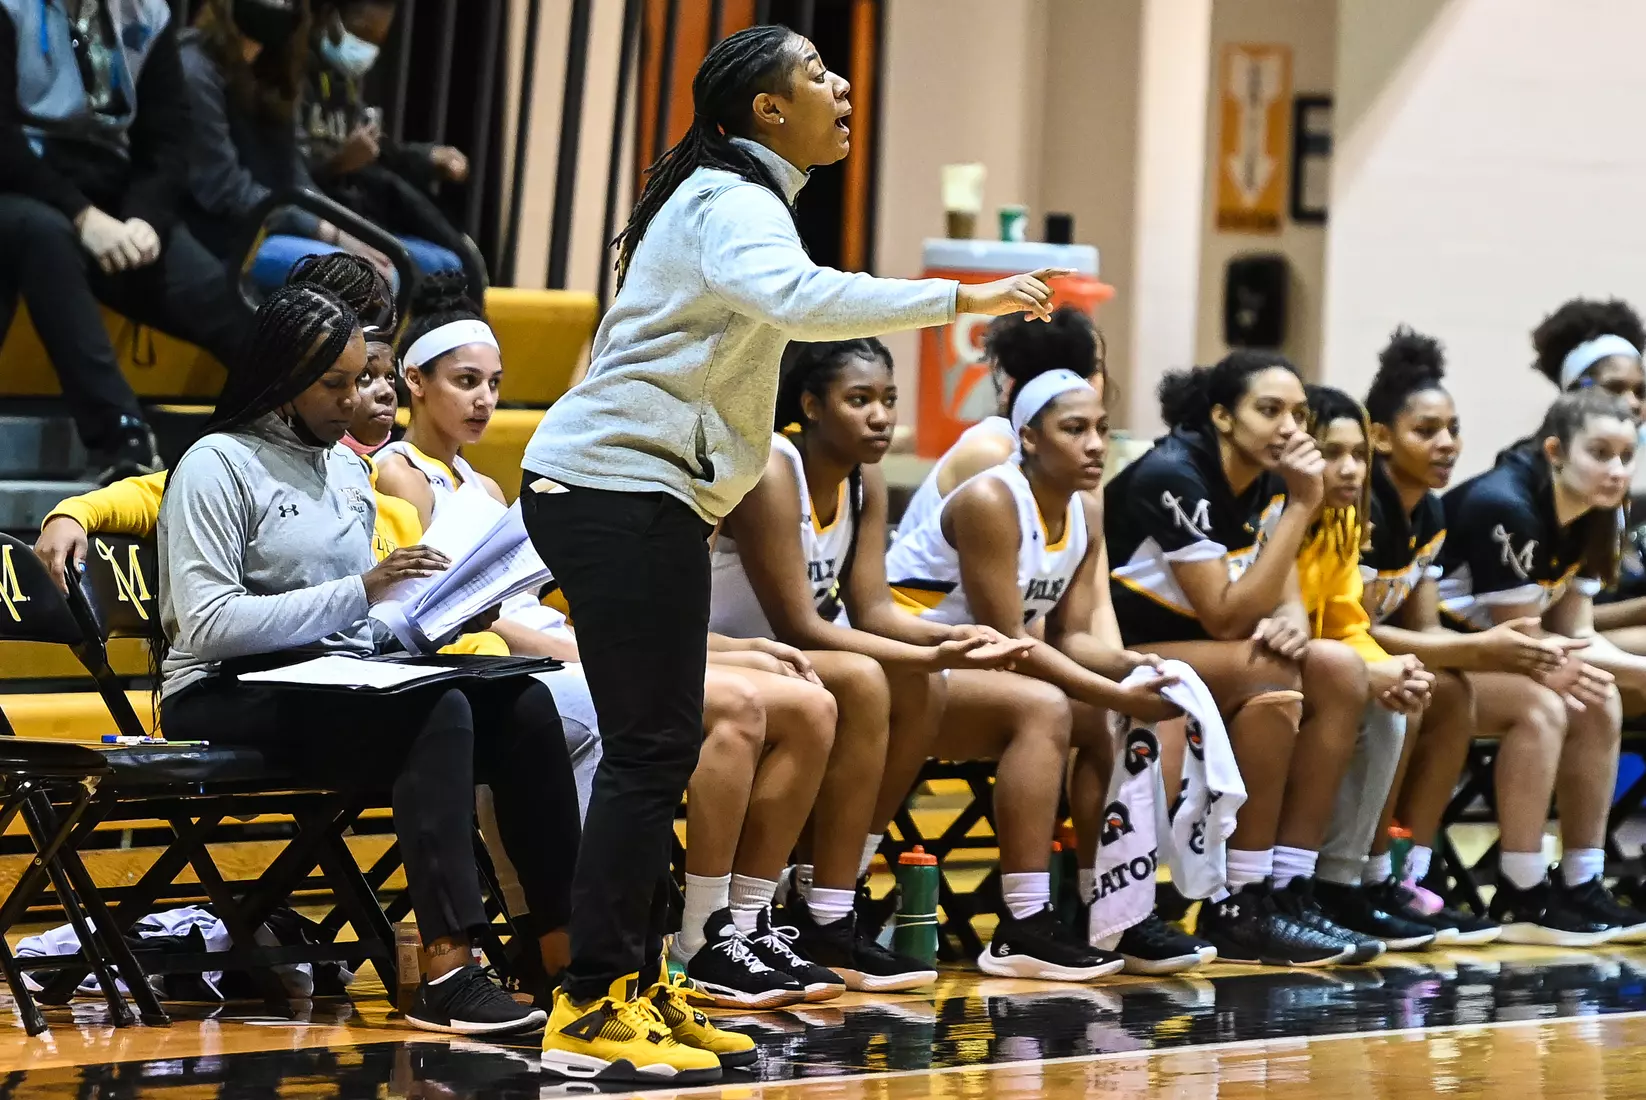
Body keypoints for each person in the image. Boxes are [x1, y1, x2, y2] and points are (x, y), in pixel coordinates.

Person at [519, 24, 1066, 1083]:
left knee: (657, 750)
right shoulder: (733, 202)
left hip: (642, 492)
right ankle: (589, 1001)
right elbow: (802, 300)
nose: (841, 84)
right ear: (766, 111)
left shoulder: (728, 196)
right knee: (648, 753)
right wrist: (963, 299)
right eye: (815, 72)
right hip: (613, 490)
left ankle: (636, 982)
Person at [373, 276, 841, 1015]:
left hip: (547, 639)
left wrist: (721, 648)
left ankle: (738, 921)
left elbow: (556, 611)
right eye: (465, 382)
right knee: (718, 709)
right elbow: (459, 616)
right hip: (488, 656)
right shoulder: (397, 475)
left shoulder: (489, 488)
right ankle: (678, 934)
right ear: (415, 382)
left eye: (494, 384)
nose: (484, 400)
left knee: (801, 698)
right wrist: (601, 655)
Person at [154, 283, 581, 1036]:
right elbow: (208, 625)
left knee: (519, 700)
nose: (356, 401)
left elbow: (355, 632)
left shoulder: (346, 470)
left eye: (360, 380)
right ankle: (449, 970)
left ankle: (561, 951)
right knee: (435, 708)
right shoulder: (215, 464)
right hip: (223, 689)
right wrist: (362, 592)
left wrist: (436, 624)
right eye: (335, 384)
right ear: (282, 377)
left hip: (334, 680)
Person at [717, 340, 1134, 984]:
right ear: (809, 406)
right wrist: (935, 646)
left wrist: (935, 650)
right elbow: (799, 623)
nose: (882, 417)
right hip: (726, 649)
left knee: (919, 681)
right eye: (860, 401)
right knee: (875, 677)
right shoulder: (777, 469)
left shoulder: (864, 476)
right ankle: (783, 912)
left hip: (794, 654)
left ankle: (831, 907)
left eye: (887, 400)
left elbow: (874, 609)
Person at [884, 366, 1219, 976]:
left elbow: (1065, 635)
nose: (1095, 444)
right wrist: (1118, 691)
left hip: (975, 667)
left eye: (1101, 429)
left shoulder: (1086, 510)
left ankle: (1113, 911)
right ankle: (1023, 924)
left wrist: (1130, 667)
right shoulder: (992, 498)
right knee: (1047, 707)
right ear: (1029, 438)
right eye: (1074, 429)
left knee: (1104, 713)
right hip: (906, 667)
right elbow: (1011, 641)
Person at [1103, 351, 1379, 967]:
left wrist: (1291, 625)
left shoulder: (1264, 479)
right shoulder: (1174, 474)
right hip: (1123, 653)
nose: (1290, 427)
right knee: (1273, 669)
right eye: (1270, 410)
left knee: (1339, 667)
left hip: (1203, 657)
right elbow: (1226, 615)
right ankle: (1239, 901)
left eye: (1300, 414)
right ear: (1223, 416)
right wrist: (1303, 506)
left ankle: (1287, 885)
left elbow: (1286, 603)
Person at [1350, 325, 1560, 946]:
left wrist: (1472, 654)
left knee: (1452, 690)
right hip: (1336, 657)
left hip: (1385, 658)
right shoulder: (1366, 506)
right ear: (1381, 437)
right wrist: (1483, 649)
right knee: (1416, 691)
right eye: (1426, 430)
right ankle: (1362, 874)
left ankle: (1410, 872)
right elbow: (1364, 631)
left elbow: (1421, 629)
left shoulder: (1431, 512)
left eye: (1452, 429)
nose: (1446, 444)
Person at [0, 0, 250, 482]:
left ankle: (284, 424)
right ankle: (123, 440)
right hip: (21, 180)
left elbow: (168, 139)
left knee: (217, 297)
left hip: (111, 185)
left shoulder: (147, 12)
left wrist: (144, 220)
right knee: (46, 238)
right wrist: (82, 217)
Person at [1436, 388, 1646, 943]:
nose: (1616, 470)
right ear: (1555, 450)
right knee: (1546, 701)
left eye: (1627, 456)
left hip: (1499, 658)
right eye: (1600, 453)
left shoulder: (1599, 511)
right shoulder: (1506, 505)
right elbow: (1532, 647)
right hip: (1439, 658)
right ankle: (1521, 890)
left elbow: (1574, 633)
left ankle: (1581, 882)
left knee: (1600, 694)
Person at [1291, 383, 1440, 951]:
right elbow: (1282, 624)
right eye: (1332, 453)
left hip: (1325, 661)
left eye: (1358, 455)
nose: (1350, 469)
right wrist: (1367, 670)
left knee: (1394, 703)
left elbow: (1347, 621)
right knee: (1369, 694)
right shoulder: (1282, 514)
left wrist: (1390, 669)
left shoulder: (1346, 517)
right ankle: (1299, 882)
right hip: (1270, 660)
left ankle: (1348, 881)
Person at [177, 0, 404, 289]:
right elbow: (224, 189)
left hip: (272, 227)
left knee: (388, 268)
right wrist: (326, 231)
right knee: (365, 280)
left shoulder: (270, 70)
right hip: (219, 238)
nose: (282, 6)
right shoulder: (195, 67)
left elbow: (293, 173)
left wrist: (346, 229)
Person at [299, 0, 477, 290]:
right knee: (398, 267)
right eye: (361, 32)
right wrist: (338, 164)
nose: (366, 46)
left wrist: (429, 156)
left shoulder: (344, 83)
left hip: (353, 214)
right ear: (332, 16)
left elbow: (383, 153)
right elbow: (282, 170)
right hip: (314, 216)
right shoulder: (294, 75)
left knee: (447, 263)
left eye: (377, 39)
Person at [895, 305, 1103, 539]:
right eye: (1091, 371)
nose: (1093, 384)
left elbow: (1092, 563)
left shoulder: (1083, 457)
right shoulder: (991, 454)